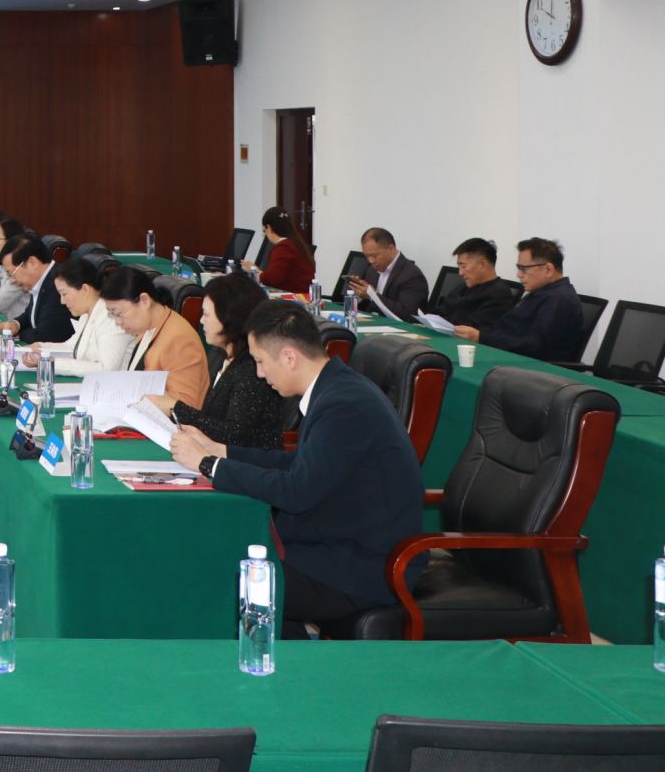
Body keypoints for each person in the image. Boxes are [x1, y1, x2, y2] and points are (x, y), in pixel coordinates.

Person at [174, 300, 426, 638]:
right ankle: (288, 653)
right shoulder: (334, 388)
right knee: (218, 551)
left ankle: (265, 661)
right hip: (336, 545)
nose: (260, 373)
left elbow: (297, 491)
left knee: (218, 582)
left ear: (289, 357)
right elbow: (299, 464)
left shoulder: (344, 404)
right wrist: (221, 451)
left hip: (361, 568)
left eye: (260, 361)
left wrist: (208, 465)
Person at [148, 271, 289, 451]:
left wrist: (175, 407)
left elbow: (233, 434)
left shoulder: (252, 368)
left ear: (228, 317)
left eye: (206, 315)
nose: (201, 321)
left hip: (248, 464)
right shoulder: (221, 356)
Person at [455, 237, 587, 365]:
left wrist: (482, 337)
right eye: (519, 268)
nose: (519, 274)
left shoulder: (559, 299)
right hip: (509, 359)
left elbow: (534, 346)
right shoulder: (541, 293)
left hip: (535, 369)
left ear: (548, 269)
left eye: (524, 269)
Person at [100, 266, 210, 405]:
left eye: (119, 313)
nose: (117, 322)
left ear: (144, 300)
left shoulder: (179, 340)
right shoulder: (147, 326)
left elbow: (186, 407)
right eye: (112, 314)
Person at [27, 256, 135, 376]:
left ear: (84, 289)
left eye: (64, 294)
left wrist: (50, 363)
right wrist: (40, 348)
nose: (62, 301)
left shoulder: (110, 317)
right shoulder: (87, 314)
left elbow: (106, 369)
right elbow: (72, 348)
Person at [0, 236, 73, 345]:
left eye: (12, 273)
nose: (12, 280)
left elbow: (46, 336)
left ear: (32, 262)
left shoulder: (58, 284)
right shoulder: (43, 279)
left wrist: (17, 335)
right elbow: (31, 315)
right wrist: (15, 324)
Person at [429, 237, 519, 330]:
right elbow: (440, 312)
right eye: (459, 267)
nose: (460, 273)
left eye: (464, 266)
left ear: (482, 265)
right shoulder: (462, 287)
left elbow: (471, 329)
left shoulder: (500, 295)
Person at [347, 227, 429, 321]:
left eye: (374, 255)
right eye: (367, 256)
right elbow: (367, 305)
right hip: (372, 322)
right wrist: (358, 294)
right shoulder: (371, 270)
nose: (370, 261)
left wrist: (372, 295)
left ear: (391, 249)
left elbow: (408, 314)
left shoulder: (412, 275)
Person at [246, 208, 315, 293]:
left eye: (264, 231)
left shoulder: (283, 247)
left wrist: (254, 271)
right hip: (303, 296)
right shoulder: (297, 244)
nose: (265, 234)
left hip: (292, 297)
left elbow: (272, 279)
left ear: (269, 228)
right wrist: (259, 272)